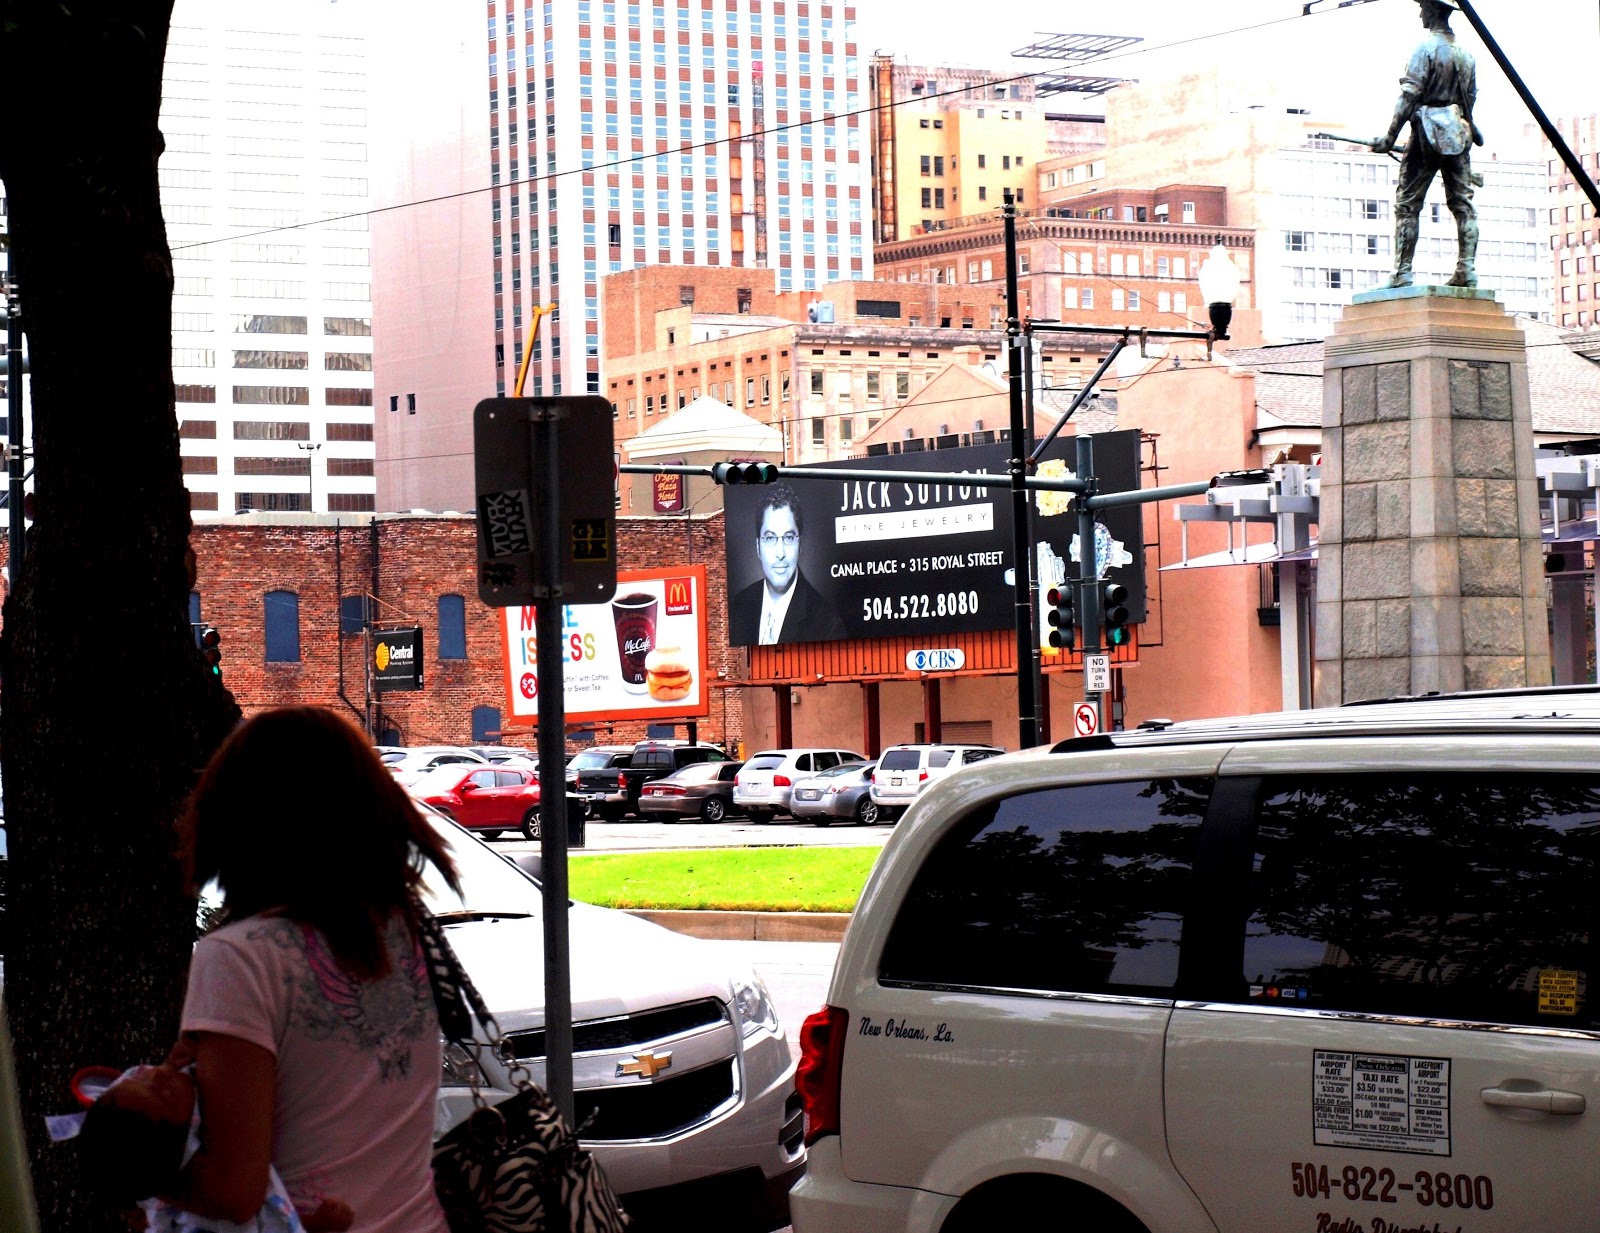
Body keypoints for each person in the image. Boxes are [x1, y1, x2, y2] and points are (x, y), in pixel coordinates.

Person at [170, 707, 460, 1233]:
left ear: (236, 818)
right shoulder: (403, 931)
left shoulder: (239, 958)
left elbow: (234, 1190)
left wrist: (139, 1177)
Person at [76, 1042, 353, 1233]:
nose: (159, 1074)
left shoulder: (150, 1113)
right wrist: (314, 1225)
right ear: (185, 1144)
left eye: (140, 1078)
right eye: (164, 1093)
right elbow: (265, 1222)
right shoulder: (216, 1183)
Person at [1374, 0, 1482, 288]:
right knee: (1463, 204)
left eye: (1423, 7)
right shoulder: (1467, 55)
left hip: (1425, 132)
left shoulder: (1425, 48)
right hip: (1458, 133)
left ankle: (1402, 272)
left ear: (1433, 11)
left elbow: (1409, 95)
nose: (1420, 12)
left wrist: (1389, 136)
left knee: (1407, 205)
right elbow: (1470, 99)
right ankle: (1467, 269)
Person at [728, 483, 846, 646]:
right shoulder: (739, 605)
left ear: (800, 544)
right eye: (770, 538)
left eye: (789, 538)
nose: (780, 553)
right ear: (758, 547)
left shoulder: (827, 623)